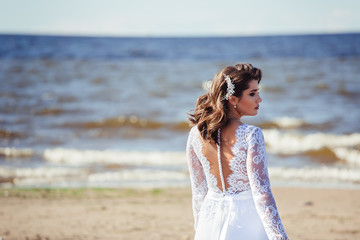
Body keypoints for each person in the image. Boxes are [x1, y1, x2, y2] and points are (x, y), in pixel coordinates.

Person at [186, 63, 288, 240]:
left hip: (209, 221)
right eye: (252, 93)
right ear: (232, 99)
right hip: (246, 222)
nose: (259, 99)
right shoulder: (251, 135)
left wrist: (200, 229)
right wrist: (279, 237)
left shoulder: (195, 134)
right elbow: (262, 193)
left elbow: (198, 192)